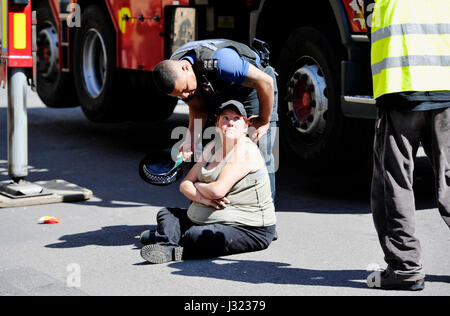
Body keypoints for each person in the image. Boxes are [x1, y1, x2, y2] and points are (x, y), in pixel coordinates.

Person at [364, 0, 450, 290]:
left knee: (395, 181)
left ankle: (405, 268)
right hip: (445, 84)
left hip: (401, 84)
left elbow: (370, 20)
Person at [139, 100, 277, 264]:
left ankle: (172, 243)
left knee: (198, 235)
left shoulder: (245, 150)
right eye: (225, 118)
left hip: (247, 228)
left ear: (246, 125)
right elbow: (184, 185)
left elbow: (217, 191)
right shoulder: (212, 146)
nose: (230, 123)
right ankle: (166, 244)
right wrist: (203, 198)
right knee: (166, 214)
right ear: (217, 124)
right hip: (207, 218)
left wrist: (197, 186)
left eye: (236, 118)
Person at [152, 39, 278, 200]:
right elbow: (198, 107)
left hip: (254, 88)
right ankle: (209, 211)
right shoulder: (178, 69)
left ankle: (263, 216)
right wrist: (191, 139)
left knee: (260, 149)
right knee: (207, 149)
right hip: (220, 89)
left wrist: (264, 120)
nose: (184, 96)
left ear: (185, 68)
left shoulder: (221, 62)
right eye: (178, 95)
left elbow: (265, 82)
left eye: (183, 90)